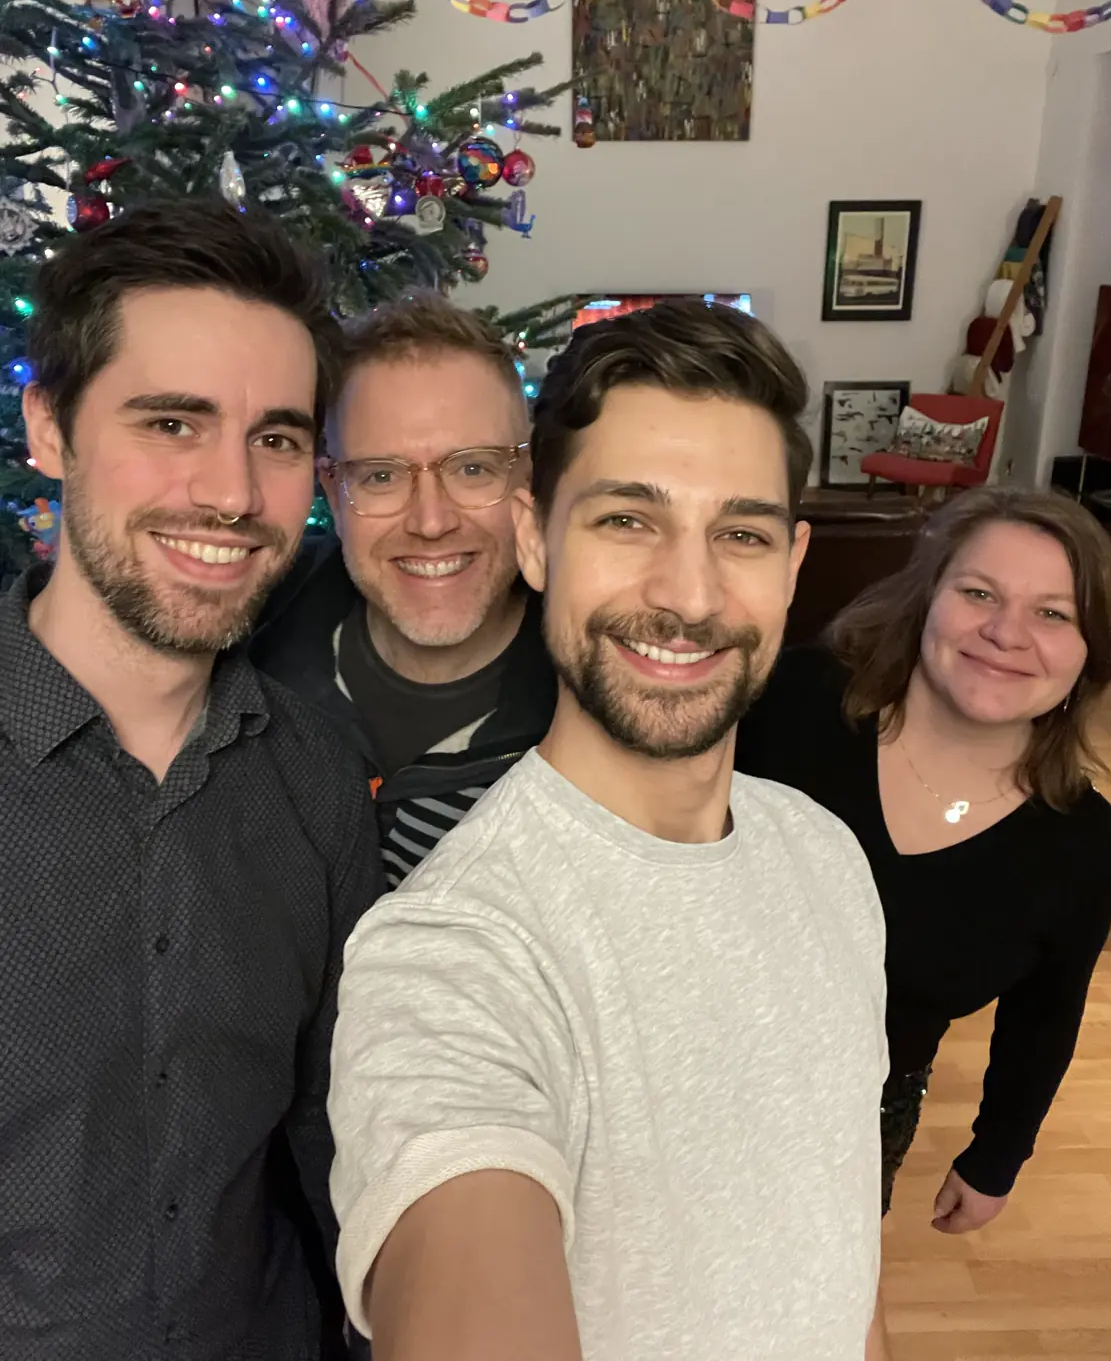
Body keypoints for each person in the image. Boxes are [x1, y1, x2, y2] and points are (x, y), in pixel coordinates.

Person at [329, 299, 892, 1361]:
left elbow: (837, 1243)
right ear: (535, 538)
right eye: (627, 520)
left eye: (742, 533)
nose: (688, 593)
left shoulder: (826, 855)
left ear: (794, 563)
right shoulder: (452, 951)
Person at [2, 201, 383, 1360]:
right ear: (51, 429)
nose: (232, 493)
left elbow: (339, 1133)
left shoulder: (316, 780)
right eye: (173, 420)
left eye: (275, 438)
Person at [736, 486, 1111, 1230]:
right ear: (926, 599)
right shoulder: (790, 703)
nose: (1006, 633)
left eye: (1053, 613)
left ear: (1090, 652)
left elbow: (1046, 1015)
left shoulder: (1082, 844)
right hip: (671, 1056)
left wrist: (996, 1155)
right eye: (979, 592)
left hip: (862, 1113)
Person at [252, 298, 556, 886]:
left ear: (528, 479)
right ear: (333, 493)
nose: (432, 521)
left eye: (473, 469)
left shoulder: (603, 710)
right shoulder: (238, 658)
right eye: (381, 475)